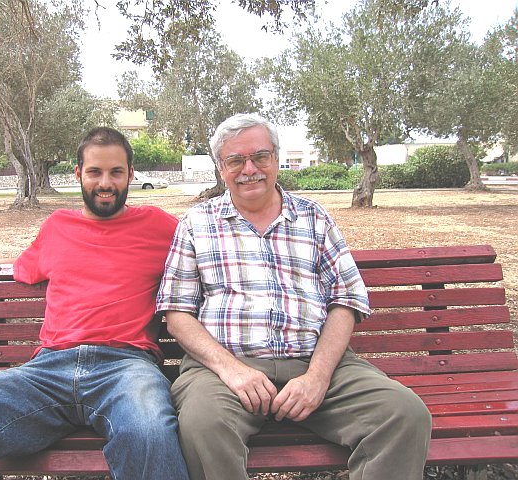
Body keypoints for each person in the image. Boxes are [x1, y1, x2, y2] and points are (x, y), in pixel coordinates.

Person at [156, 113, 432, 480]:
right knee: (203, 423)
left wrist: (317, 377)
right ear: (221, 168)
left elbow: (346, 300)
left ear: (276, 158)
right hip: (223, 371)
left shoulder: (314, 217)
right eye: (235, 160)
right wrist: (232, 370)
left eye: (260, 157)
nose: (249, 169)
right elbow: (177, 312)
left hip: (315, 362)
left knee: (404, 414)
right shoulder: (196, 223)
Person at [0, 127, 190, 480]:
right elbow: (20, 266)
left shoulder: (160, 227)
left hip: (126, 368)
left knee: (147, 433)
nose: (106, 182)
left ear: (131, 174)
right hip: (48, 370)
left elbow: (205, 261)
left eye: (116, 172)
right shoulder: (57, 226)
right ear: (77, 174)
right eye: (95, 172)